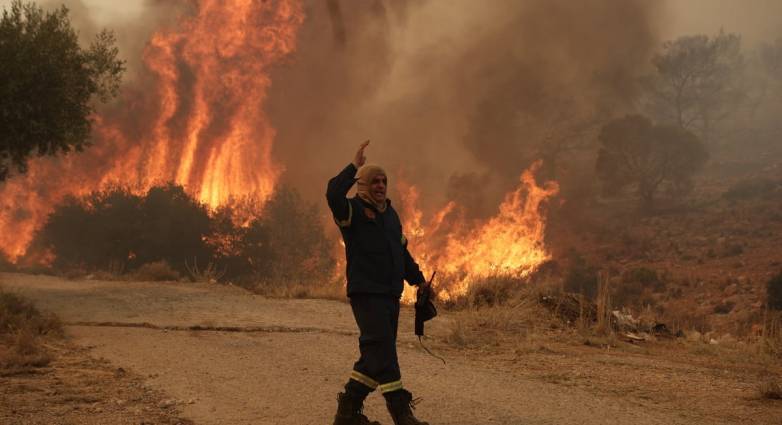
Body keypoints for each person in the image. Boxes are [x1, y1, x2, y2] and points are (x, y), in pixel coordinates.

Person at [326, 140, 431, 425]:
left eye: (384, 181)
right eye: (374, 181)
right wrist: (354, 167)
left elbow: (401, 252)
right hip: (366, 293)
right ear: (363, 185)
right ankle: (402, 413)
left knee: (375, 355)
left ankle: (347, 412)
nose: (380, 186)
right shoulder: (352, 212)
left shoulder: (391, 215)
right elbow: (333, 193)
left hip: (390, 294)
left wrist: (418, 280)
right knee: (384, 350)